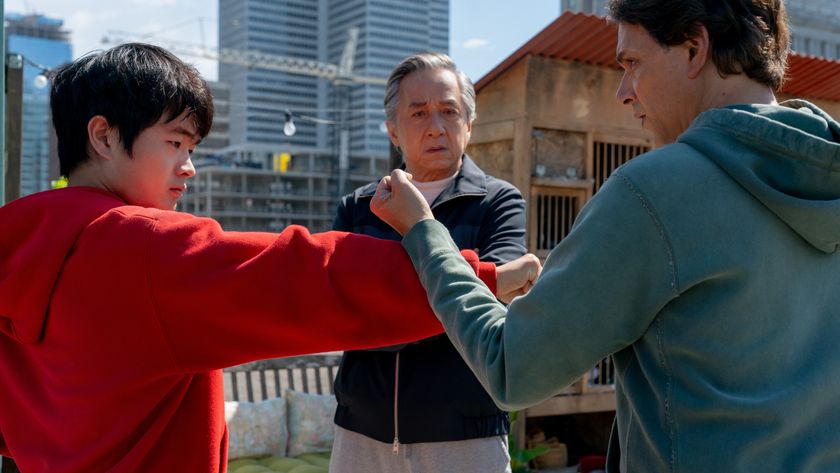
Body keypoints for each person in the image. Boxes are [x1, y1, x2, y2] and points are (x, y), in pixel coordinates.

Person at [0, 43, 539, 472]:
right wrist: (487, 274)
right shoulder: (143, 247)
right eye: (176, 142)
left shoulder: (19, 244)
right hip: (367, 429)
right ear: (104, 135)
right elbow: (311, 279)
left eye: (193, 149)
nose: (189, 167)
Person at [369, 1, 840, 472]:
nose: (623, 91)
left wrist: (424, 232)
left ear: (695, 48)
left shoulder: (656, 192)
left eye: (633, 63)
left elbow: (513, 365)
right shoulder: (826, 176)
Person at [329, 52, 526, 473]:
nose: (436, 126)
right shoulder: (358, 208)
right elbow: (342, 314)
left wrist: (386, 305)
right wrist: (463, 290)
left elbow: (488, 314)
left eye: (449, 111)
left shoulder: (499, 203)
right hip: (361, 436)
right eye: (418, 113)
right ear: (393, 131)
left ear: (469, 125)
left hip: (467, 436)